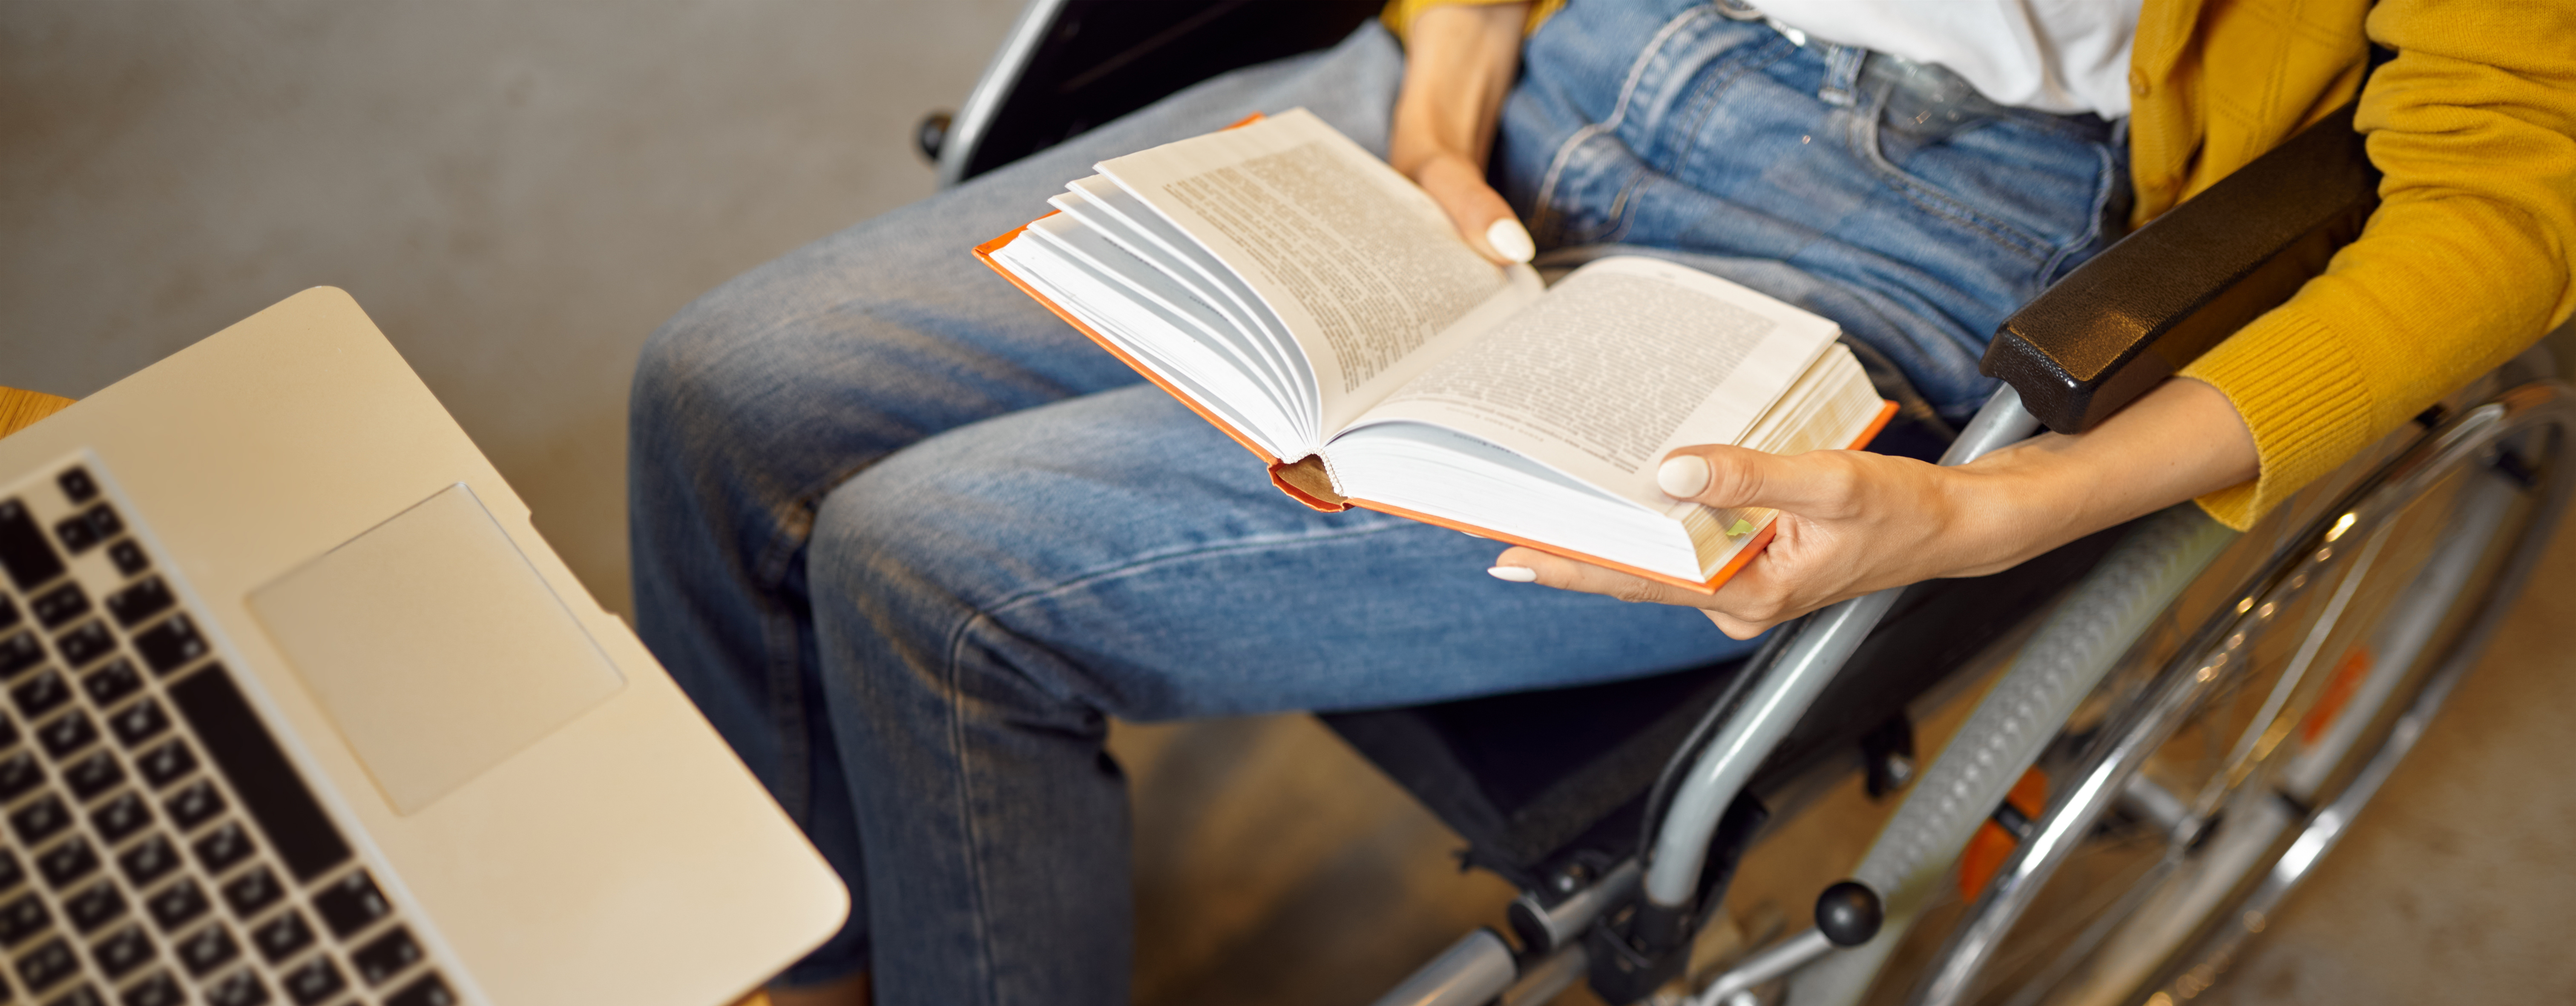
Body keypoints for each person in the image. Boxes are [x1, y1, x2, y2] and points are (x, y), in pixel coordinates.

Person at [626, 1, 2573, 1003]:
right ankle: (827, 950)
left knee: (931, 577)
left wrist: (2010, 510)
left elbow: (2509, 183)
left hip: (1936, 221)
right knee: (726, 391)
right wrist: (1455, 65)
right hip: (1588, 52)